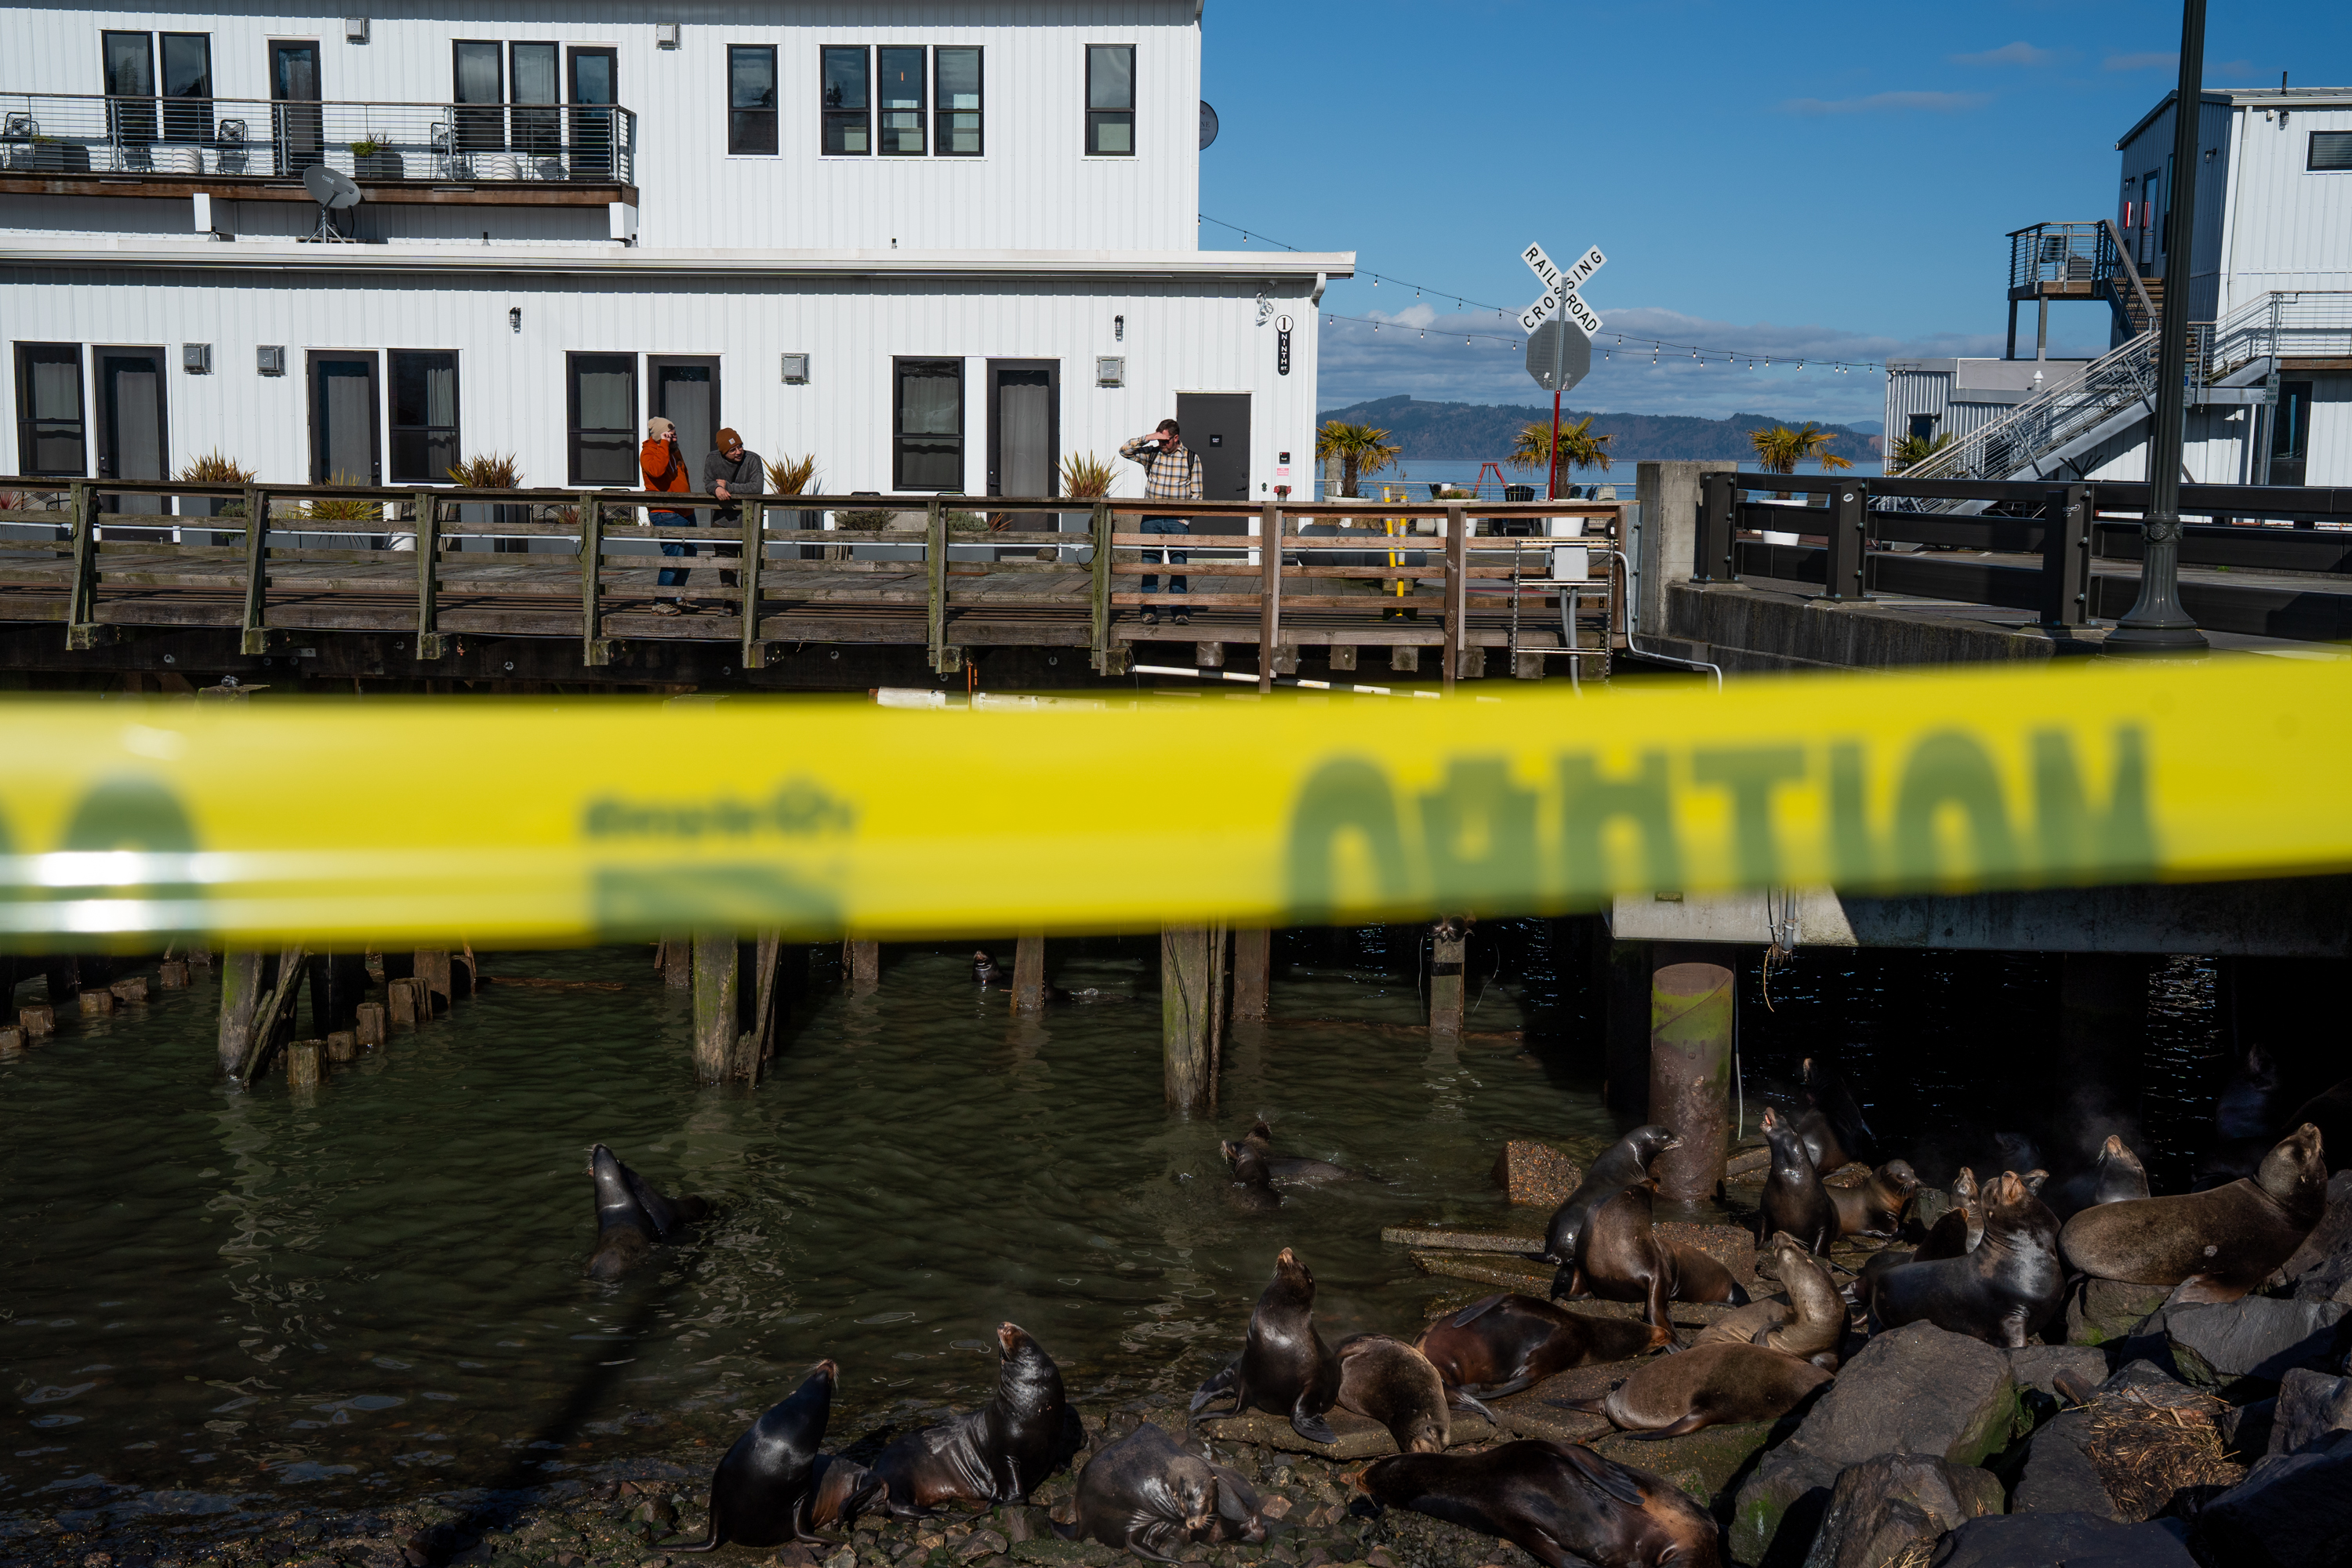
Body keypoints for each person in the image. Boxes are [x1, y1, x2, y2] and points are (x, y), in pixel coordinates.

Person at [1119, 419, 1204, 628]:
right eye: (1160, 440)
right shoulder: (1152, 452)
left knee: (1178, 566)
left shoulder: (1191, 458)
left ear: (1176, 438)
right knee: (1149, 566)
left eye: (1165, 441)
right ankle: (1148, 611)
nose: (1162, 444)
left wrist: (1184, 520)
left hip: (1177, 521)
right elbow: (1124, 451)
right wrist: (1149, 438)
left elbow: (1198, 495)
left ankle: (1180, 611)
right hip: (1151, 519)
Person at [638, 416, 694, 614]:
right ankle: (660, 601)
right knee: (674, 555)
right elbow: (656, 471)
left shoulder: (672, 450)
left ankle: (675, 597)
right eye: (668, 434)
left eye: (674, 434)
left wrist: (669, 445)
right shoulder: (648, 452)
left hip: (685, 511)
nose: (673, 437)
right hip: (665, 512)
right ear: (658, 436)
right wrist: (664, 443)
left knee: (689, 555)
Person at [700, 427, 764, 597]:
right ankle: (729, 601)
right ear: (723, 452)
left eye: (740, 447)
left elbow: (757, 487)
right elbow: (708, 482)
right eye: (732, 450)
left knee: (749, 563)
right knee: (726, 562)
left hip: (748, 519)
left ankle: (748, 602)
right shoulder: (712, 459)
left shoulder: (752, 459)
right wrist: (715, 489)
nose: (738, 452)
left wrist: (729, 487)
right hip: (722, 520)